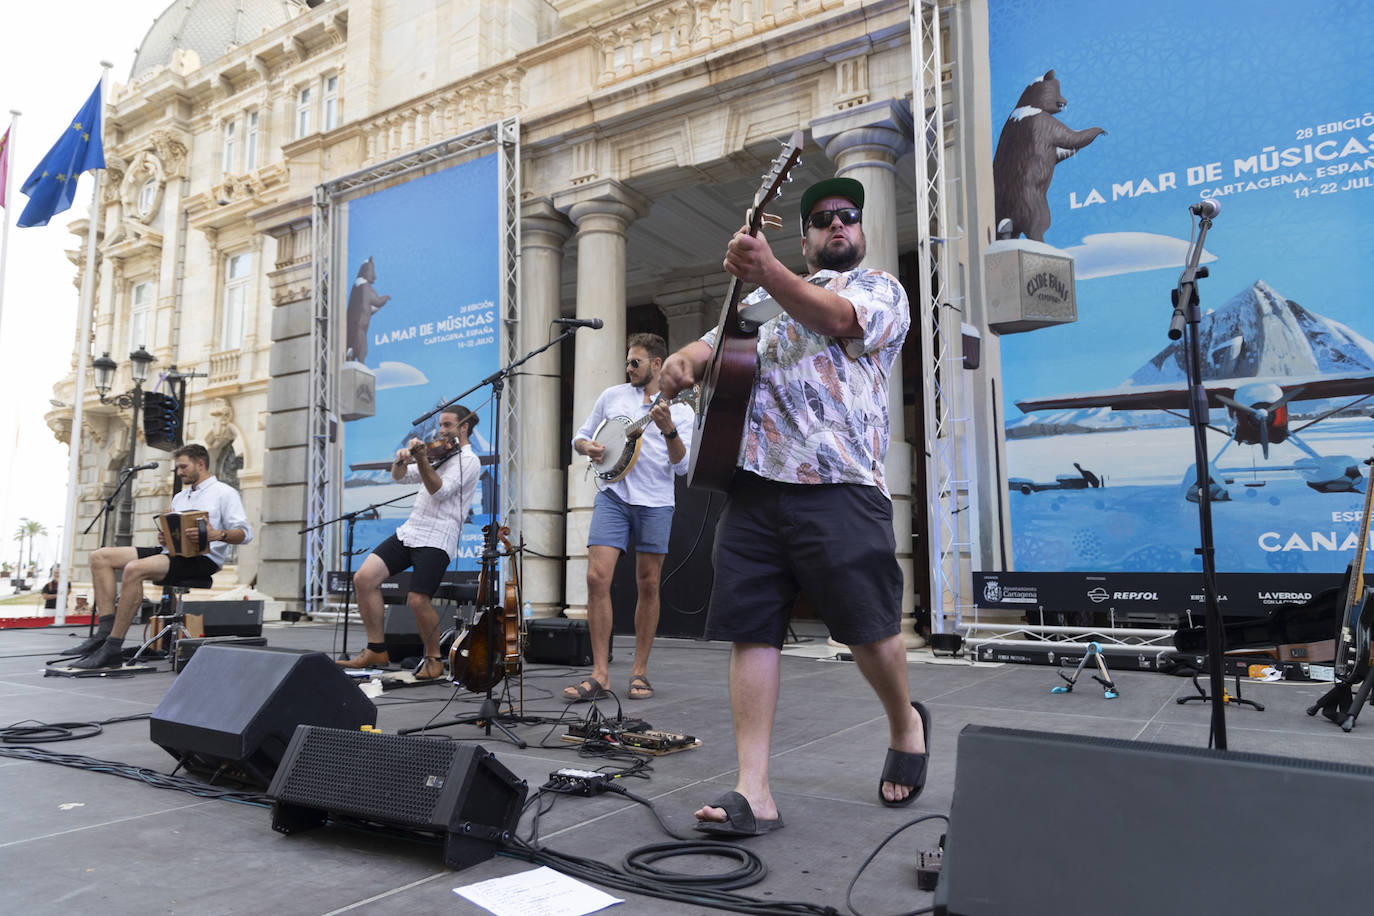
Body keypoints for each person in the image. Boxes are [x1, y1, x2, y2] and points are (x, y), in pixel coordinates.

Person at [657, 176, 926, 835]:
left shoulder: (878, 289)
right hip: (752, 489)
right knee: (752, 629)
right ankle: (756, 790)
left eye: (848, 216)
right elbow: (715, 344)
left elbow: (834, 321)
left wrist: (768, 270)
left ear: (858, 232)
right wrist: (683, 361)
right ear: (804, 238)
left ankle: (905, 722)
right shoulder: (756, 301)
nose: (838, 224)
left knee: (869, 630)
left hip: (840, 486)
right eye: (822, 218)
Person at [564, 332, 695, 702]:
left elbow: (682, 466)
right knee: (595, 577)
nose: (628, 368)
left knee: (649, 583)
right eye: (627, 361)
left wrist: (668, 428)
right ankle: (600, 673)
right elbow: (581, 436)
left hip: (655, 501)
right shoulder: (612, 396)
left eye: (634, 362)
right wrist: (587, 446)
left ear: (656, 364)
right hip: (613, 496)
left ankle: (639, 671)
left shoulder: (682, 409)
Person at [72, 443, 252, 669]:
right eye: (178, 468)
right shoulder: (180, 497)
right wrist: (166, 537)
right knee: (100, 557)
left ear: (200, 464)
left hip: (202, 559)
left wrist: (217, 534)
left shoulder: (225, 493)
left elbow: (245, 534)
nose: (179, 472)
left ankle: (113, 647)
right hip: (173, 552)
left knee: (134, 569)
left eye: (183, 467)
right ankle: (103, 634)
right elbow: (174, 531)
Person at [337, 405, 481, 680]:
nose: (441, 430)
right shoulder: (442, 454)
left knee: (417, 599)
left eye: (447, 425)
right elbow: (399, 476)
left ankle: (434, 659)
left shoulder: (468, 460)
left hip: (438, 536)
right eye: (440, 425)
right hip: (411, 530)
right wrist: (401, 459)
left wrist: (423, 458)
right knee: (364, 578)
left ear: (463, 427)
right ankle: (376, 649)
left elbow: (439, 491)